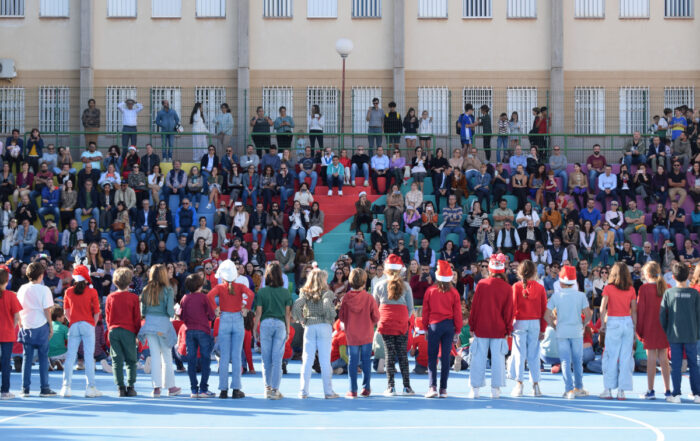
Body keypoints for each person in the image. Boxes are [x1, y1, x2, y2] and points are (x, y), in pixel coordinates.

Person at [206, 260, 254, 399]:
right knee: (237, 355)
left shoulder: (220, 287)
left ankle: (223, 389)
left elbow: (209, 296)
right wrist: (247, 309)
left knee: (224, 357)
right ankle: (236, 389)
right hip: (237, 319)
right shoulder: (240, 286)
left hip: (225, 319)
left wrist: (216, 309)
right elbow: (251, 294)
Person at [468, 253, 513, 399]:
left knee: (478, 358)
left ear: (490, 269)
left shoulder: (481, 284)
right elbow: (509, 312)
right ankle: (496, 389)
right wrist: (508, 329)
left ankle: (475, 389)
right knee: (498, 359)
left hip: (481, 327)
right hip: (499, 329)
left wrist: (472, 325)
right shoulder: (507, 288)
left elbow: (474, 307)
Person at [544, 265, 593, 399]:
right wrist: (583, 324)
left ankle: (569, 390)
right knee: (577, 361)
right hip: (576, 331)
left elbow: (546, 315)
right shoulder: (581, 296)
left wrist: (553, 325)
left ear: (561, 282)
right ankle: (578, 388)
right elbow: (588, 315)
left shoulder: (556, 296)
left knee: (565, 361)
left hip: (562, 331)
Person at [292, 268, 338, 399]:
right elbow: (327, 305)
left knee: (307, 359)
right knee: (325, 360)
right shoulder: (327, 293)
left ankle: (303, 391)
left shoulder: (305, 292)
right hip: (324, 326)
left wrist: (301, 320)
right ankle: (328, 392)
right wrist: (332, 315)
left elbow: (296, 306)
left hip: (310, 326)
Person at [373, 254, 415, 396]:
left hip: (385, 321)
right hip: (401, 321)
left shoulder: (379, 285)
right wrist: (404, 319)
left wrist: (378, 321)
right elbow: (410, 308)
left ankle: (391, 387)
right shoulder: (406, 286)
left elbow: (375, 307)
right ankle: (407, 387)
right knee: (403, 354)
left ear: (386, 270)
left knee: (389, 354)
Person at [137, 264, 180, 398]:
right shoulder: (168, 289)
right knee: (166, 356)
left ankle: (156, 388)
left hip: (150, 325)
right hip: (163, 326)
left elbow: (143, 311)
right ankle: (171, 387)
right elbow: (169, 311)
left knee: (154, 356)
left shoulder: (146, 289)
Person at [659, 262, 700, 403]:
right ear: (688, 276)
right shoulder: (694, 293)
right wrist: (697, 332)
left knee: (676, 365)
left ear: (673, 277)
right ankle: (697, 394)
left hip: (674, 335)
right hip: (691, 334)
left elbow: (662, 315)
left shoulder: (669, 293)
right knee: (693, 364)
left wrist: (667, 330)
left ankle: (676, 394)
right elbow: (699, 315)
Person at [58, 265, 101, 398]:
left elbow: (66, 311)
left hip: (74, 325)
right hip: (88, 324)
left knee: (70, 357)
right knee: (89, 357)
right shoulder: (92, 291)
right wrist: (92, 325)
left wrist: (72, 321)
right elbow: (97, 312)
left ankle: (66, 387)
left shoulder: (68, 291)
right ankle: (90, 387)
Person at [421, 261, 462, 398]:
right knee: (445, 357)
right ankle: (443, 389)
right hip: (449, 326)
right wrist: (457, 330)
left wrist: (425, 328)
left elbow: (425, 312)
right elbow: (457, 313)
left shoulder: (430, 291)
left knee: (432, 357)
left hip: (434, 326)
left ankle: (432, 387)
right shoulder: (454, 292)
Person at [253, 262, 293, 400]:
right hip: (280, 324)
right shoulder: (285, 292)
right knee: (277, 359)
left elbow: (258, 312)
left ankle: (267, 388)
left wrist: (255, 328)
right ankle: (275, 390)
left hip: (265, 324)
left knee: (266, 358)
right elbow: (287, 314)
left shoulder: (262, 292)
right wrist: (288, 329)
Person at [338, 268, 379, 398]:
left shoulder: (346, 298)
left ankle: (352, 389)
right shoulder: (369, 298)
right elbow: (376, 317)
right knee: (366, 361)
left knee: (353, 361)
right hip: (366, 333)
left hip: (352, 334)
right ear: (364, 281)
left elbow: (341, 317)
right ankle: (366, 388)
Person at [16, 262, 56, 397]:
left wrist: (20, 324)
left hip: (26, 325)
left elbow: (18, 309)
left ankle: (24, 388)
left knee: (27, 358)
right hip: (41, 326)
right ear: (41, 275)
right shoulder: (44, 290)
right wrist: (51, 326)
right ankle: (44, 388)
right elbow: (47, 310)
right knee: (43, 358)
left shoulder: (22, 288)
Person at [599, 262, 637, 400]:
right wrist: (634, 328)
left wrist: (603, 323)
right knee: (626, 357)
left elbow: (602, 308)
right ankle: (622, 391)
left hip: (613, 321)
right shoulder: (631, 289)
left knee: (611, 356)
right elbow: (634, 311)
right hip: (627, 322)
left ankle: (608, 390)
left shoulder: (608, 288)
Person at [510, 260, 547, 397]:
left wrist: (509, 326)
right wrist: (543, 329)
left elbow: (512, 308)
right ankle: (536, 385)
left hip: (520, 322)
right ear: (534, 272)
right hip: (535, 323)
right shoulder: (540, 288)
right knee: (534, 355)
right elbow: (544, 310)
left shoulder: (516, 286)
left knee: (519, 354)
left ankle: (519, 384)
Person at [637, 261, 671, 400]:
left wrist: (639, 331)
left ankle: (650, 390)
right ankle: (667, 390)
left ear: (647, 273)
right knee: (664, 358)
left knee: (651, 358)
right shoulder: (667, 287)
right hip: (663, 326)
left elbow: (641, 311)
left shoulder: (644, 289)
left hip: (650, 326)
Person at [105, 267, 139, 397]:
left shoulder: (110, 297)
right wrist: (137, 334)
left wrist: (109, 330)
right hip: (128, 331)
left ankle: (120, 387)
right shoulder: (133, 297)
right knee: (131, 360)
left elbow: (107, 317)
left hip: (114, 330)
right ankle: (131, 386)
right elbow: (136, 318)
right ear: (129, 281)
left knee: (116, 360)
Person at [181, 273, 216, 398]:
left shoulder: (184, 298)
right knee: (206, 359)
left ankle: (193, 389)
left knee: (191, 360)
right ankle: (203, 389)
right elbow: (211, 315)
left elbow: (182, 316)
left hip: (189, 330)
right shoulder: (203, 297)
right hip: (203, 330)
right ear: (200, 285)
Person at [0, 266, 22, 399]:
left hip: (6, 333)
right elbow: (17, 317)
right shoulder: (11, 296)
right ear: (6, 281)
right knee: (5, 364)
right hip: (7, 333)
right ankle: (5, 391)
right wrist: (11, 327)